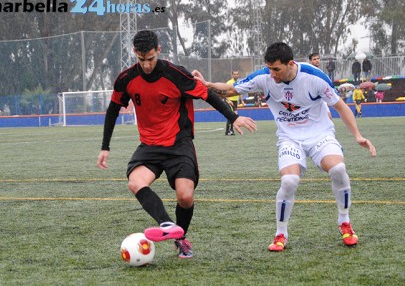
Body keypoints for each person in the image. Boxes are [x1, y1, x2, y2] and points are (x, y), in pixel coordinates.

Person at [193, 42, 376, 252]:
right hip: (289, 138)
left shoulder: (314, 77)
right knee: (289, 181)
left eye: (276, 69)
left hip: (320, 134)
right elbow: (230, 90)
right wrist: (206, 84)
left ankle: (344, 222)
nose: (271, 74)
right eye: (269, 68)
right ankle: (281, 233)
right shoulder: (264, 76)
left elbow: (341, 106)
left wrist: (358, 136)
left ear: (290, 64)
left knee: (338, 169)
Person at [96, 30, 256, 259]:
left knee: (185, 197)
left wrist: (233, 117)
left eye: (150, 59)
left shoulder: (175, 74)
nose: (147, 65)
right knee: (135, 182)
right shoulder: (126, 79)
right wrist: (105, 146)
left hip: (178, 144)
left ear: (158, 51)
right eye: (141, 60)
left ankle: (181, 239)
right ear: (135, 54)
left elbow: (207, 94)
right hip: (149, 146)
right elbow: (112, 110)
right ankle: (168, 225)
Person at [225, 70, 245, 135]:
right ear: (232, 75)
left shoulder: (239, 82)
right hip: (229, 101)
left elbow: (240, 92)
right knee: (231, 115)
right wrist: (228, 100)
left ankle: (229, 130)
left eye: (237, 74)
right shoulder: (229, 82)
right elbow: (224, 92)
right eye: (234, 74)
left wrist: (242, 100)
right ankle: (229, 131)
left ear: (238, 75)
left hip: (235, 102)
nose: (235, 75)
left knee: (234, 115)